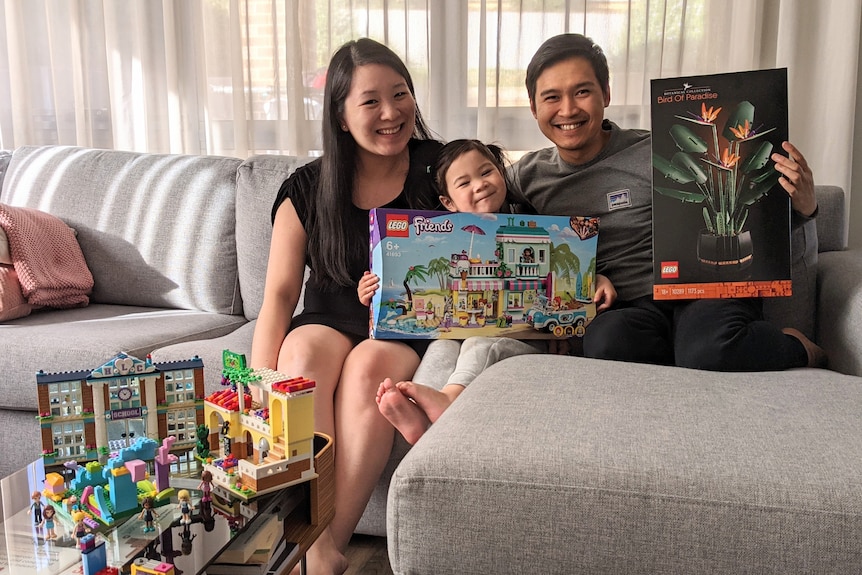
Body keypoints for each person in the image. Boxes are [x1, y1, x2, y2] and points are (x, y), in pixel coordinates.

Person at [510, 32, 826, 371]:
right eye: (552, 97)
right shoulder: (527, 176)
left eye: (582, 91)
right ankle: (683, 352)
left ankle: (800, 347)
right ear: (533, 107)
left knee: (709, 348)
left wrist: (805, 206)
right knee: (604, 343)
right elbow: (476, 209)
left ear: (606, 93)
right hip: (630, 309)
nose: (568, 109)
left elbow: (745, 209)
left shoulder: (660, 150)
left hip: (703, 289)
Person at [250, 38, 444, 575]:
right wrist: (255, 384)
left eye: (400, 94)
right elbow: (280, 295)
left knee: (369, 370)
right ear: (340, 115)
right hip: (327, 317)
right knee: (303, 355)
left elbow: (495, 216)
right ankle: (317, 551)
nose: (391, 112)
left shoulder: (440, 169)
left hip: (400, 327)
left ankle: (322, 547)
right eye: (370, 101)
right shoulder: (306, 188)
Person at [359, 139, 617, 444]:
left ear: (501, 174)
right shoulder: (444, 235)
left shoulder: (534, 218)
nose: (480, 185)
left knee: (481, 343)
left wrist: (597, 278)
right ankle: (418, 408)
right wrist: (372, 290)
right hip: (461, 329)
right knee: (442, 347)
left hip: (521, 342)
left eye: (486, 172)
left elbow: (569, 261)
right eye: (464, 182)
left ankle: (449, 399)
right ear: (448, 203)